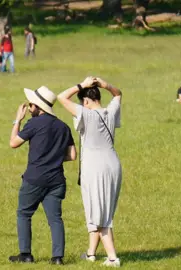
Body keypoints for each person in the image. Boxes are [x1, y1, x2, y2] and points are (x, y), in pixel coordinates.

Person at [57, 77, 123, 268]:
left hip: (95, 168)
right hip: (113, 164)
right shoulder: (110, 111)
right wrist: (105, 85)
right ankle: (91, 254)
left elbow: (61, 97)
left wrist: (81, 85)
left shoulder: (86, 114)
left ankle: (112, 258)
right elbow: (118, 94)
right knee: (101, 211)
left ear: (85, 101)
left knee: (100, 214)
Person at [8, 86, 76, 265]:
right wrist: (53, 157)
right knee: (55, 218)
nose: (29, 108)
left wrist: (17, 120)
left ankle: (25, 255)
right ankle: (58, 258)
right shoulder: (63, 126)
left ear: (38, 107)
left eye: (31, 105)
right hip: (57, 180)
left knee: (24, 213)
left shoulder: (33, 124)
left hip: (35, 178)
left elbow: (13, 143)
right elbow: (72, 155)